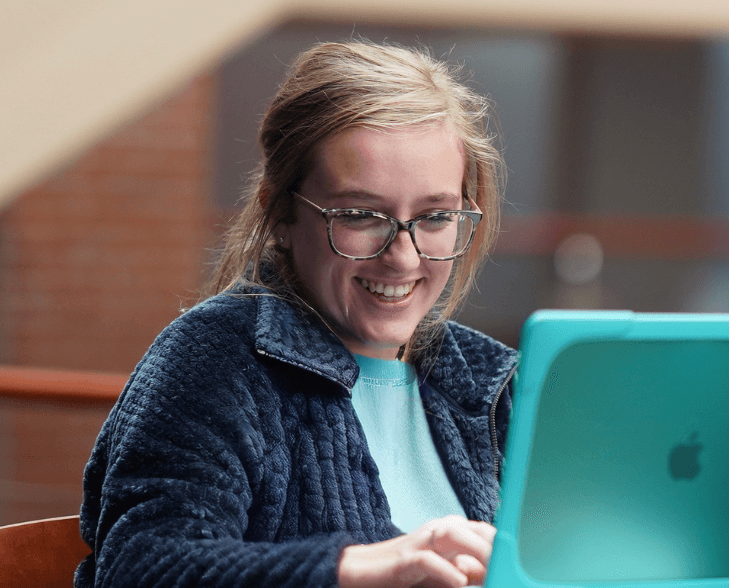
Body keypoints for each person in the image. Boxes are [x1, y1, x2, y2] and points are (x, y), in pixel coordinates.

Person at [76, 40, 517, 588]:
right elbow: (141, 568)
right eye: (360, 215)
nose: (403, 257)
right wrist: (355, 569)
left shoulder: (495, 380)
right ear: (281, 213)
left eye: (434, 217)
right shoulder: (214, 359)